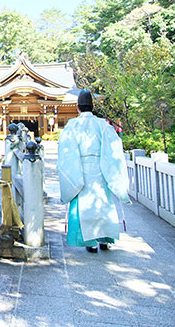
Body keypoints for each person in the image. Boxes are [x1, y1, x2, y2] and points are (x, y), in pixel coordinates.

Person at [58, 89, 131, 253]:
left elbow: (66, 154)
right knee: (103, 202)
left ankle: (89, 242)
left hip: (80, 169)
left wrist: (71, 173)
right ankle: (105, 239)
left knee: (83, 203)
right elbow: (113, 151)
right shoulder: (103, 125)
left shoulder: (72, 126)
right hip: (100, 168)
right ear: (92, 107)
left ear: (77, 107)